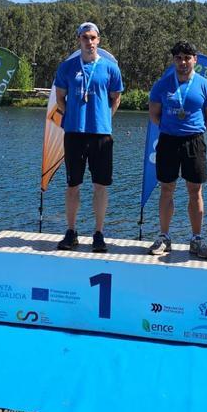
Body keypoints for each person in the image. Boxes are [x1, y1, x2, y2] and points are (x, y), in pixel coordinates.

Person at [53, 22, 124, 252]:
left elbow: (116, 98)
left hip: (101, 134)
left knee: (100, 186)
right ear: (79, 40)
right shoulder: (66, 67)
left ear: (98, 40)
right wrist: (74, 116)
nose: (89, 42)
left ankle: (98, 233)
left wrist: (103, 118)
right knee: (73, 184)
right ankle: (71, 232)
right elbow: (60, 99)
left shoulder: (110, 68)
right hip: (74, 133)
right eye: (85, 37)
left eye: (93, 37)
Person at [146, 41, 207, 259]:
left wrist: (193, 130)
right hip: (168, 141)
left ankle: (196, 239)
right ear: (174, 60)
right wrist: (172, 129)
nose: (183, 62)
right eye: (178, 58)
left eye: (187, 58)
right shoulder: (162, 85)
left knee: (195, 191)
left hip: (194, 142)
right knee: (166, 189)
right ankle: (164, 237)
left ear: (195, 60)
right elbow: (154, 115)